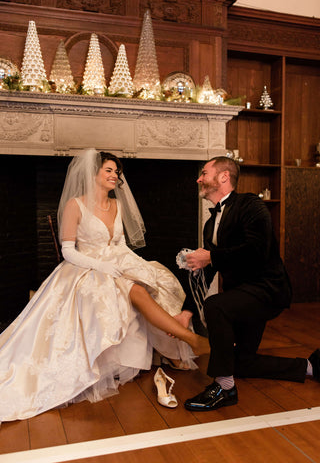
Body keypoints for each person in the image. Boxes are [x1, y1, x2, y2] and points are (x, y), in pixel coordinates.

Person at [0, 149, 209, 422]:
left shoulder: (117, 205)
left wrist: (133, 264)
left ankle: (179, 342)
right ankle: (193, 340)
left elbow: (120, 244)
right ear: (93, 174)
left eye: (116, 172)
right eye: (108, 170)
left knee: (157, 279)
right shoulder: (76, 205)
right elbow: (68, 251)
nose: (114, 176)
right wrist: (102, 267)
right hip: (83, 267)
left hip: (117, 261)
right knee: (134, 290)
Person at [175, 156, 320, 411]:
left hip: (267, 290)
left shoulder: (250, 204)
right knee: (239, 362)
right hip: (242, 295)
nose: (199, 178)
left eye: (204, 173)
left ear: (223, 177)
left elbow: (257, 250)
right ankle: (310, 367)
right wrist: (186, 312)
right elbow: (209, 269)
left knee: (216, 306)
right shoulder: (211, 225)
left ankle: (225, 388)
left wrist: (211, 256)